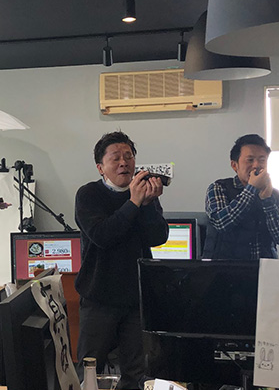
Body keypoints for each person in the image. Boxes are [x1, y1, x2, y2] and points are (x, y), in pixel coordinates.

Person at [74, 131, 169, 389]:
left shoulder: (145, 195)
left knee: (137, 372)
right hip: (98, 298)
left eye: (128, 157)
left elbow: (158, 237)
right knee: (89, 368)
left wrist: (148, 203)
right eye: (115, 158)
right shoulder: (88, 194)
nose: (124, 163)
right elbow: (103, 236)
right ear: (100, 167)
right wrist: (134, 202)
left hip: (136, 298)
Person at [203, 134, 279, 259]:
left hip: (264, 268)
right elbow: (221, 223)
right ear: (235, 165)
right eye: (250, 160)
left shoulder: (276, 196)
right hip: (225, 268)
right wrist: (251, 189)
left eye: (262, 160)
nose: (256, 165)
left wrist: (267, 200)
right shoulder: (219, 188)